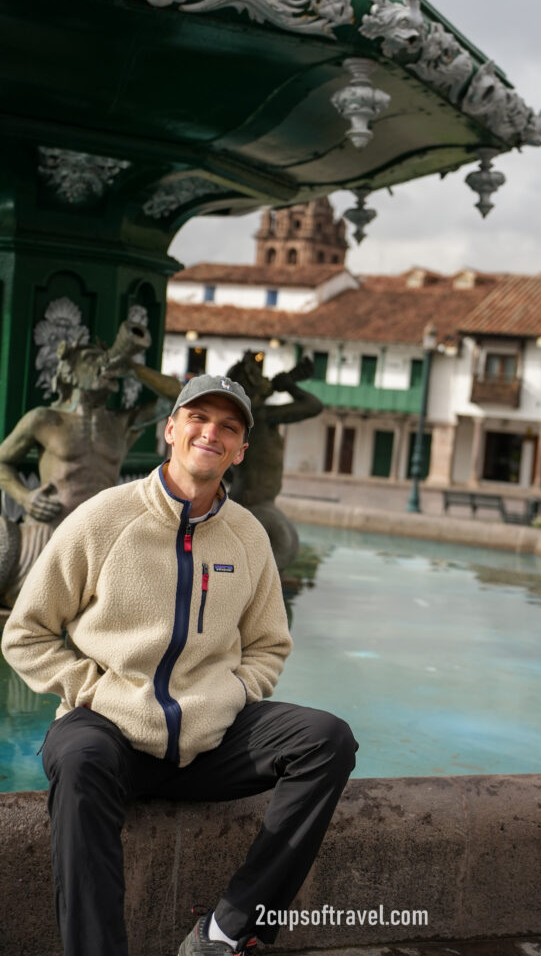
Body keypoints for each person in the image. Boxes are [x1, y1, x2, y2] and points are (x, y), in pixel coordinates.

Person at [1, 373, 357, 956]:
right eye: (198, 418)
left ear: (241, 449)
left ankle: (227, 930)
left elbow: (269, 645)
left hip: (210, 739)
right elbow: (26, 632)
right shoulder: (102, 518)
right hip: (112, 729)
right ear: (171, 429)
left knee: (327, 740)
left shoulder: (249, 536)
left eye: (228, 427)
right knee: (76, 754)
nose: (210, 432)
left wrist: (234, 692)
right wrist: (91, 688)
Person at [0, 318, 182, 607]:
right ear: (69, 374)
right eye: (90, 360)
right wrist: (25, 498)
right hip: (49, 534)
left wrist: (133, 368)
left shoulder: (121, 424)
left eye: (104, 360)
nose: (102, 365)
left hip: (105, 539)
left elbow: (181, 397)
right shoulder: (44, 419)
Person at [227, 352, 323, 570]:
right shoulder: (261, 416)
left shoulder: (246, 420)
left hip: (249, 501)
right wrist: (290, 387)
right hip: (255, 506)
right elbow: (313, 406)